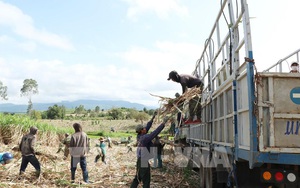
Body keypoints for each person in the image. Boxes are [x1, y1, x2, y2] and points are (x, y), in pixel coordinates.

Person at [130, 113, 169, 188]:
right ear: (141, 131)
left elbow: (147, 127)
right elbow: (155, 133)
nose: (145, 129)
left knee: (137, 178)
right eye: (143, 128)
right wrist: (163, 123)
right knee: (146, 180)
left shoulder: (139, 136)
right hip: (143, 161)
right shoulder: (145, 138)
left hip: (139, 161)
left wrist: (152, 118)